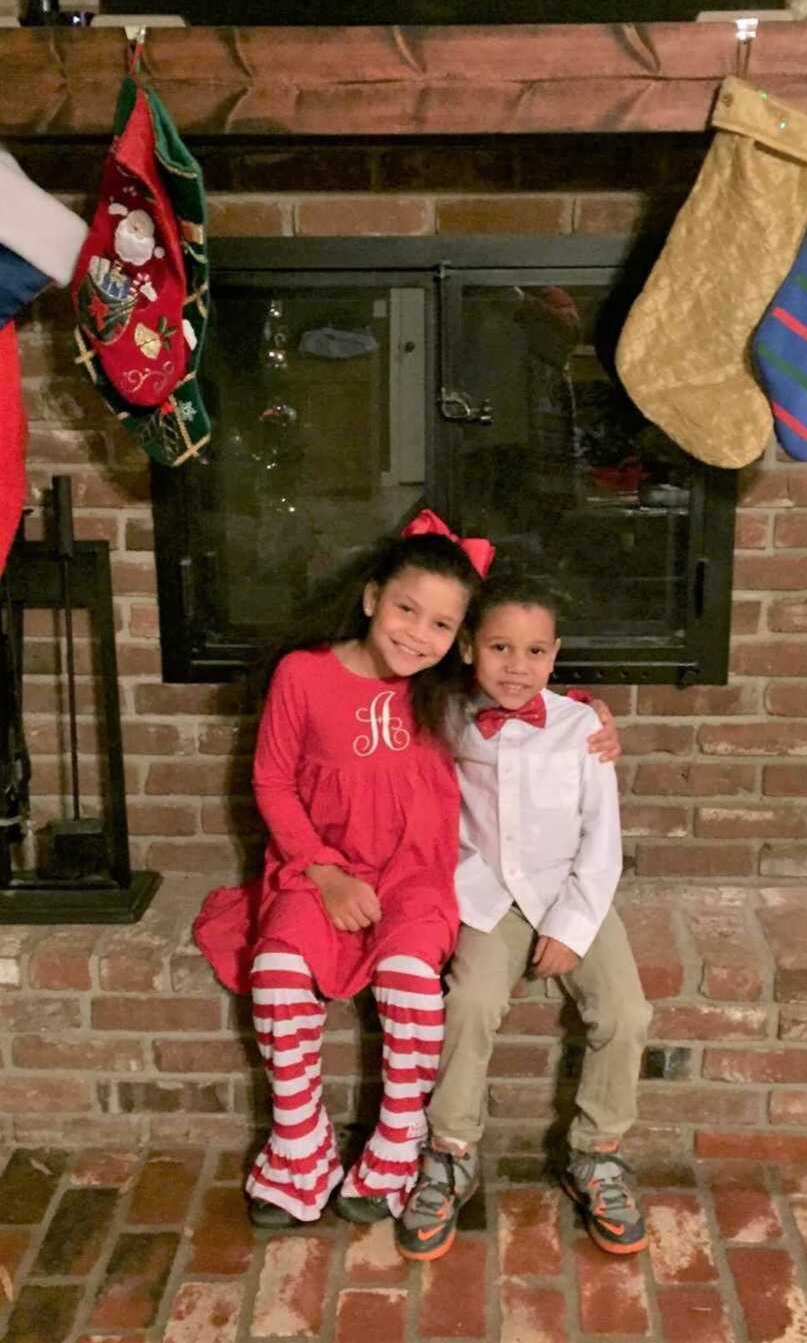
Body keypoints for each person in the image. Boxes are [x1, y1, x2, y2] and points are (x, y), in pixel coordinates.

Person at [194, 509, 491, 1229]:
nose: (418, 634)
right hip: (316, 863)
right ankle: (301, 1143)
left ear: (459, 639)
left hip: (415, 874)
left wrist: (591, 715)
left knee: (412, 978)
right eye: (405, 609)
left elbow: (530, 690)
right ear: (369, 598)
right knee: (276, 971)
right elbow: (271, 783)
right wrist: (323, 872)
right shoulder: (304, 675)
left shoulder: (448, 691)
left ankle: (398, 1138)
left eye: (441, 626)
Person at [396, 571, 651, 1262]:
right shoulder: (444, 714)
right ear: (470, 648)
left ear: (556, 654)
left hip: (570, 890)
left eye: (535, 652)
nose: (518, 667)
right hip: (484, 894)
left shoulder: (581, 729)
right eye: (501, 648)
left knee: (626, 1014)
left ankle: (596, 1152)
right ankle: (451, 1149)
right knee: (470, 1001)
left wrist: (570, 929)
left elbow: (603, 841)